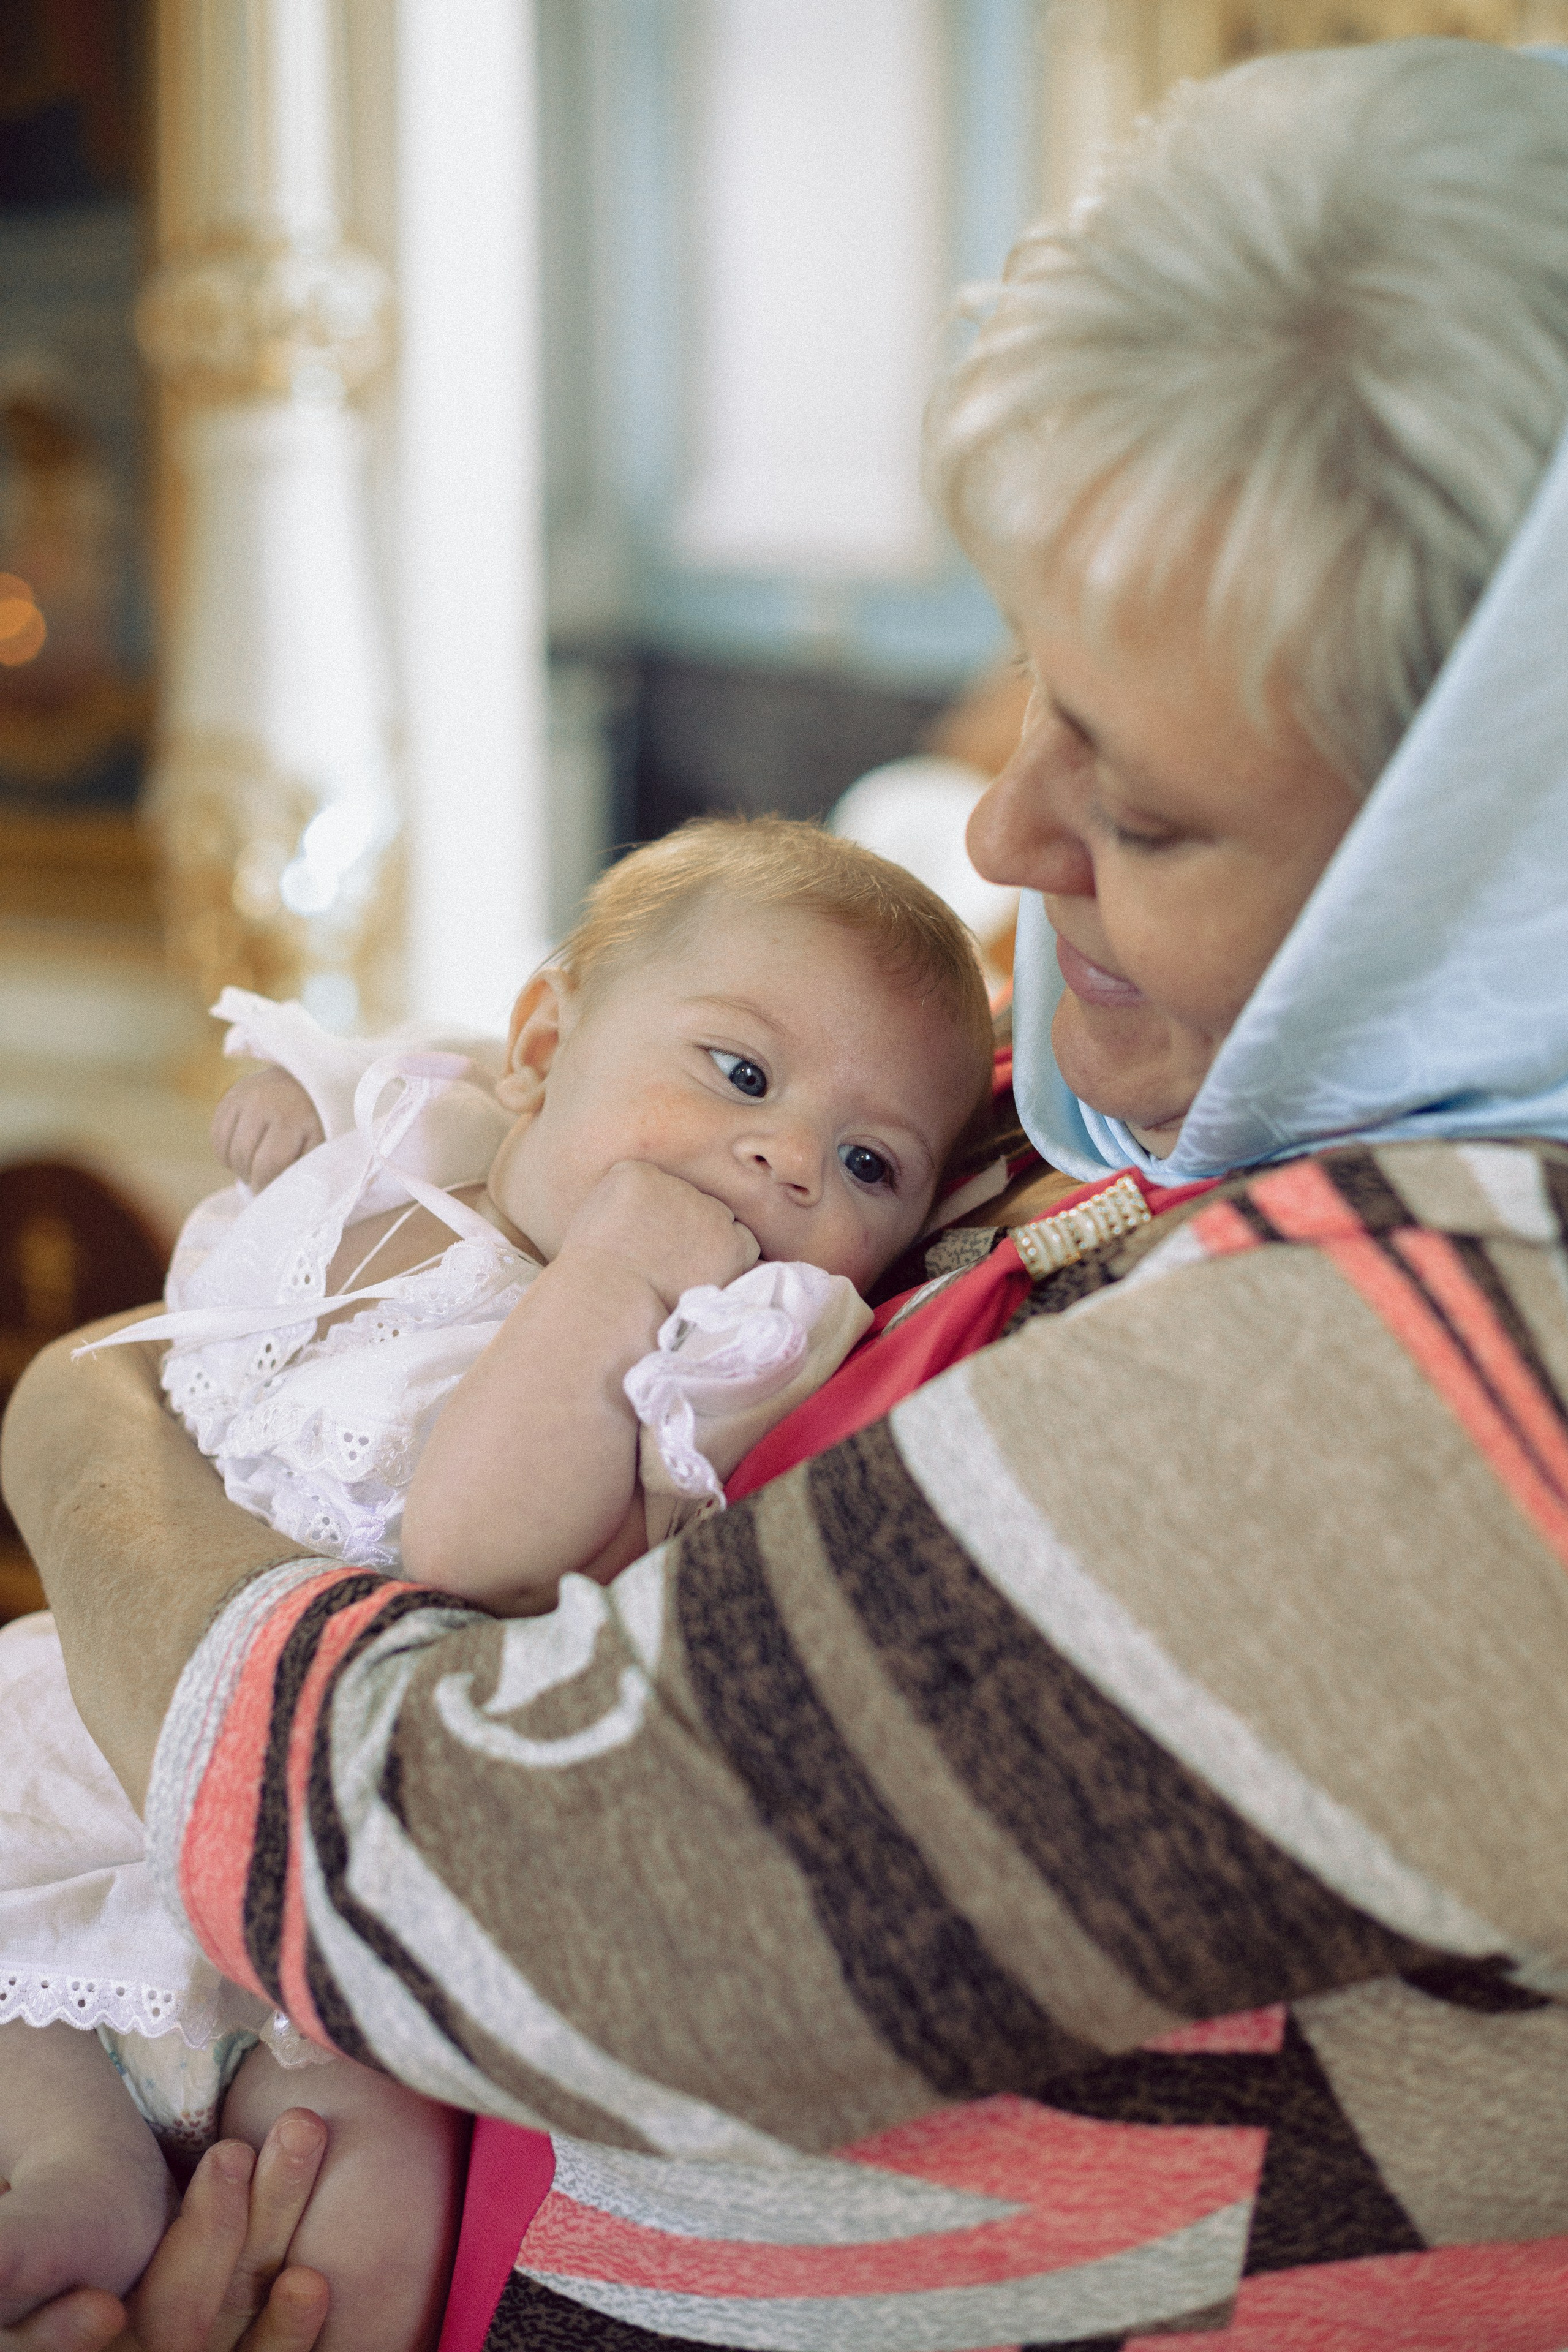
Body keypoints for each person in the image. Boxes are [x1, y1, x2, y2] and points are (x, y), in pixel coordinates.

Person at [9, 31, 1568, 2351]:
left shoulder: (1467, 1383)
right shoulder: (1165, 1128)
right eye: (1035, 688)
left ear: (1497, 874)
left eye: (1143, 812)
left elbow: (433, 1873)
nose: (1014, 840)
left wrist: (82, 1415)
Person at [0, 820, 992, 2346]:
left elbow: (472, 1549)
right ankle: (69, 2195)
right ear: (545, 1039)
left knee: (360, 2204)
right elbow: (403, 1079)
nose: (786, 1156)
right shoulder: (439, 1127)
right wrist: (292, 1108)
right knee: (42, 2059)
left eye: (868, 1164)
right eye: (740, 1073)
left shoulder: (704, 1348)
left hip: (345, 1890)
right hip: (90, 1744)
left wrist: (622, 1270)